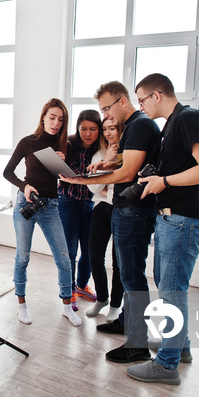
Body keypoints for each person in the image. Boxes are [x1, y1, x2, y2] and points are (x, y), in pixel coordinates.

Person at [125, 73, 199, 385]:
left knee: (171, 292)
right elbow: (185, 168)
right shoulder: (173, 125)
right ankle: (181, 346)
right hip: (172, 219)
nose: (141, 106)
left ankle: (167, 364)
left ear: (157, 94)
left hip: (183, 221)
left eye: (141, 99)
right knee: (169, 286)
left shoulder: (187, 118)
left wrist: (163, 182)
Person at [60, 81, 160, 363]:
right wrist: (104, 164)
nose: (105, 114)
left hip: (135, 210)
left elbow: (128, 173)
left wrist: (82, 179)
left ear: (123, 101)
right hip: (127, 208)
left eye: (107, 107)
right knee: (128, 272)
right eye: (102, 109)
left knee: (132, 276)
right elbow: (127, 163)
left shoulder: (139, 126)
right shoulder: (134, 127)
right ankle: (127, 322)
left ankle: (137, 342)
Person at [3, 98, 83, 327]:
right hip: (25, 203)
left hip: (51, 207)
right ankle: (22, 304)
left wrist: (63, 164)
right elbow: (8, 172)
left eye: (60, 119)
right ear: (43, 117)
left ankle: (67, 306)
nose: (56, 123)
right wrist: (24, 186)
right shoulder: (28, 142)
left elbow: (72, 178)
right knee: (23, 256)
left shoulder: (64, 145)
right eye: (52, 117)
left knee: (64, 258)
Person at [58, 110, 102, 311]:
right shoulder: (67, 144)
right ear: (77, 128)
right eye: (83, 129)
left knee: (90, 251)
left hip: (92, 205)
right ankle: (69, 292)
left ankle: (82, 285)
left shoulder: (103, 148)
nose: (88, 133)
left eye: (93, 129)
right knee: (70, 251)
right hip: (68, 202)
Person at [85, 118, 124, 320]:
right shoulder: (99, 155)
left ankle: (116, 305)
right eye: (105, 129)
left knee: (119, 262)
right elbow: (93, 188)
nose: (109, 133)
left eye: (113, 128)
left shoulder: (130, 153)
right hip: (101, 209)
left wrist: (107, 185)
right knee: (94, 256)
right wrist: (107, 162)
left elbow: (120, 187)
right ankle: (102, 298)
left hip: (121, 210)